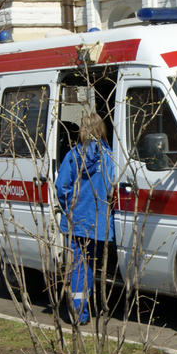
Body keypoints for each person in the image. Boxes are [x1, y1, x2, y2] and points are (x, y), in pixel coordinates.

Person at [55, 112, 118, 325]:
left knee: (78, 267)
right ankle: (84, 310)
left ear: (82, 130)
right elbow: (111, 189)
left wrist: (69, 208)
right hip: (98, 223)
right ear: (101, 130)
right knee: (90, 266)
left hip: (76, 221)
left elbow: (61, 187)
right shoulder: (109, 157)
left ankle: (77, 313)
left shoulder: (72, 156)